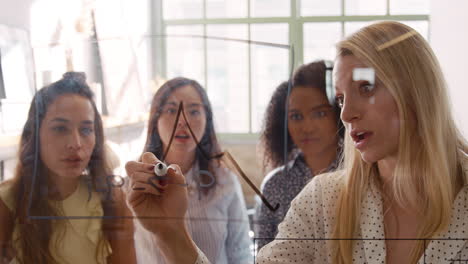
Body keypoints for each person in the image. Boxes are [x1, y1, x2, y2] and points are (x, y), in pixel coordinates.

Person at [125, 21, 468, 264]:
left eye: (366, 88)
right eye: (341, 99)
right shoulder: (323, 202)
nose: (347, 114)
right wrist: (172, 236)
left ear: (417, 89)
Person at [0, 72, 136, 264]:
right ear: (35, 134)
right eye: (60, 128)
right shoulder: (7, 200)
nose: (76, 143)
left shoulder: (111, 199)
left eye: (86, 130)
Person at [132, 77, 252, 264]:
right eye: (171, 110)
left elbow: (241, 254)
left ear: (207, 120)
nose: (183, 121)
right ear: (155, 118)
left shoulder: (225, 182)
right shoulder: (135, 186)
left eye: (194, 111)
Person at [254, 61, 344, 250]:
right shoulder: (275, 184)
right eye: (296, 116)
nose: (307, 127)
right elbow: (263, 254)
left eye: (319, 113)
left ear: (339, 112)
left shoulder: (360, 175)